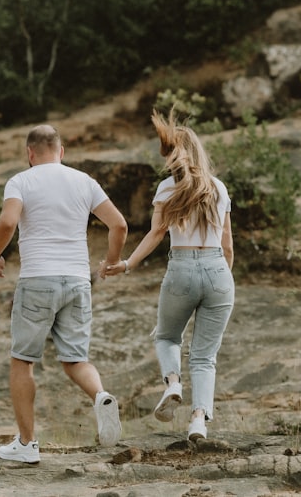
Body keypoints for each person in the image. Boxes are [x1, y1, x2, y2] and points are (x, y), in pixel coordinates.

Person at [0, 124, 128, 464]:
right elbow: (119, 225)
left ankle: (27, 444)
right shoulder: (84, 181)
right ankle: (101, 395)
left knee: (23, 360)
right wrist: (110, 262)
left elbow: (7, 223)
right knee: (75, 359)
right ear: (61, 151)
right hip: (78, 280)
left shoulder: (21, 180)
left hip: (38, 279)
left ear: (30, 153)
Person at [101, 109, 234, 442]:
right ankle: (198, 421)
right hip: (219, 271)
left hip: (182, 269)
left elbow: (157, 233)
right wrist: (219, 281)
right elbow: (228, 246)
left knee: (166, 336)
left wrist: (128, 263)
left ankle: (173, 383)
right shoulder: (219, 188)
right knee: (205, 357)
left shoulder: (166, 188)